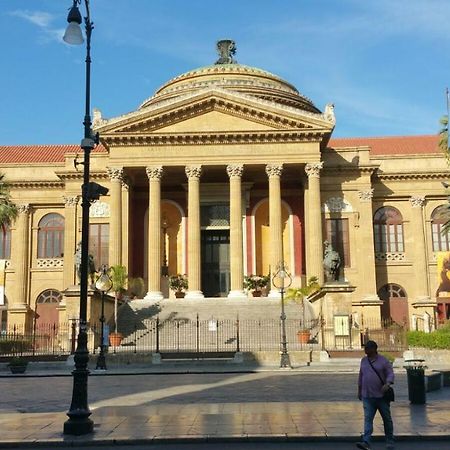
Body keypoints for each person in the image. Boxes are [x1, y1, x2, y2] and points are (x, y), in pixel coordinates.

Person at [356, 340, 395, 450]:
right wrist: (359, 390)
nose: (365, 349)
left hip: (381, 396)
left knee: (386, 419)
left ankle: (390, 440)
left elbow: (390, 373)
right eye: (365, 347)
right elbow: (361, 375)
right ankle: (366, 441)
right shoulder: (363, 361)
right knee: (368, 419)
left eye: (368, 348)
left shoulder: (383, 361)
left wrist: (388, 384)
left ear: (374, 349)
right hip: (367, 396)